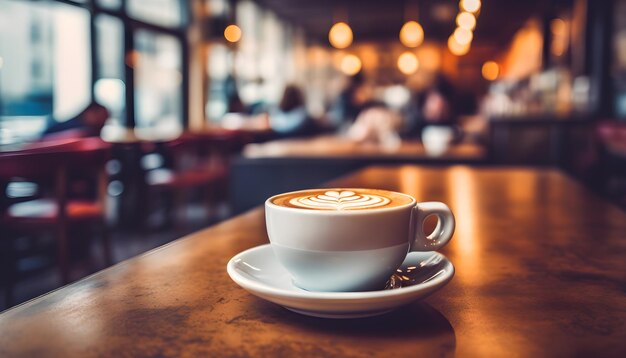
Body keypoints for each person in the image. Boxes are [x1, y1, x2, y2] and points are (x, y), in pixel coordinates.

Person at [41, 101, 109, 139]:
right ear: (88, 112)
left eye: (105, 118)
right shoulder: (81, 130)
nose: (102, 120)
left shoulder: (89, 130)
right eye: (99, 116)